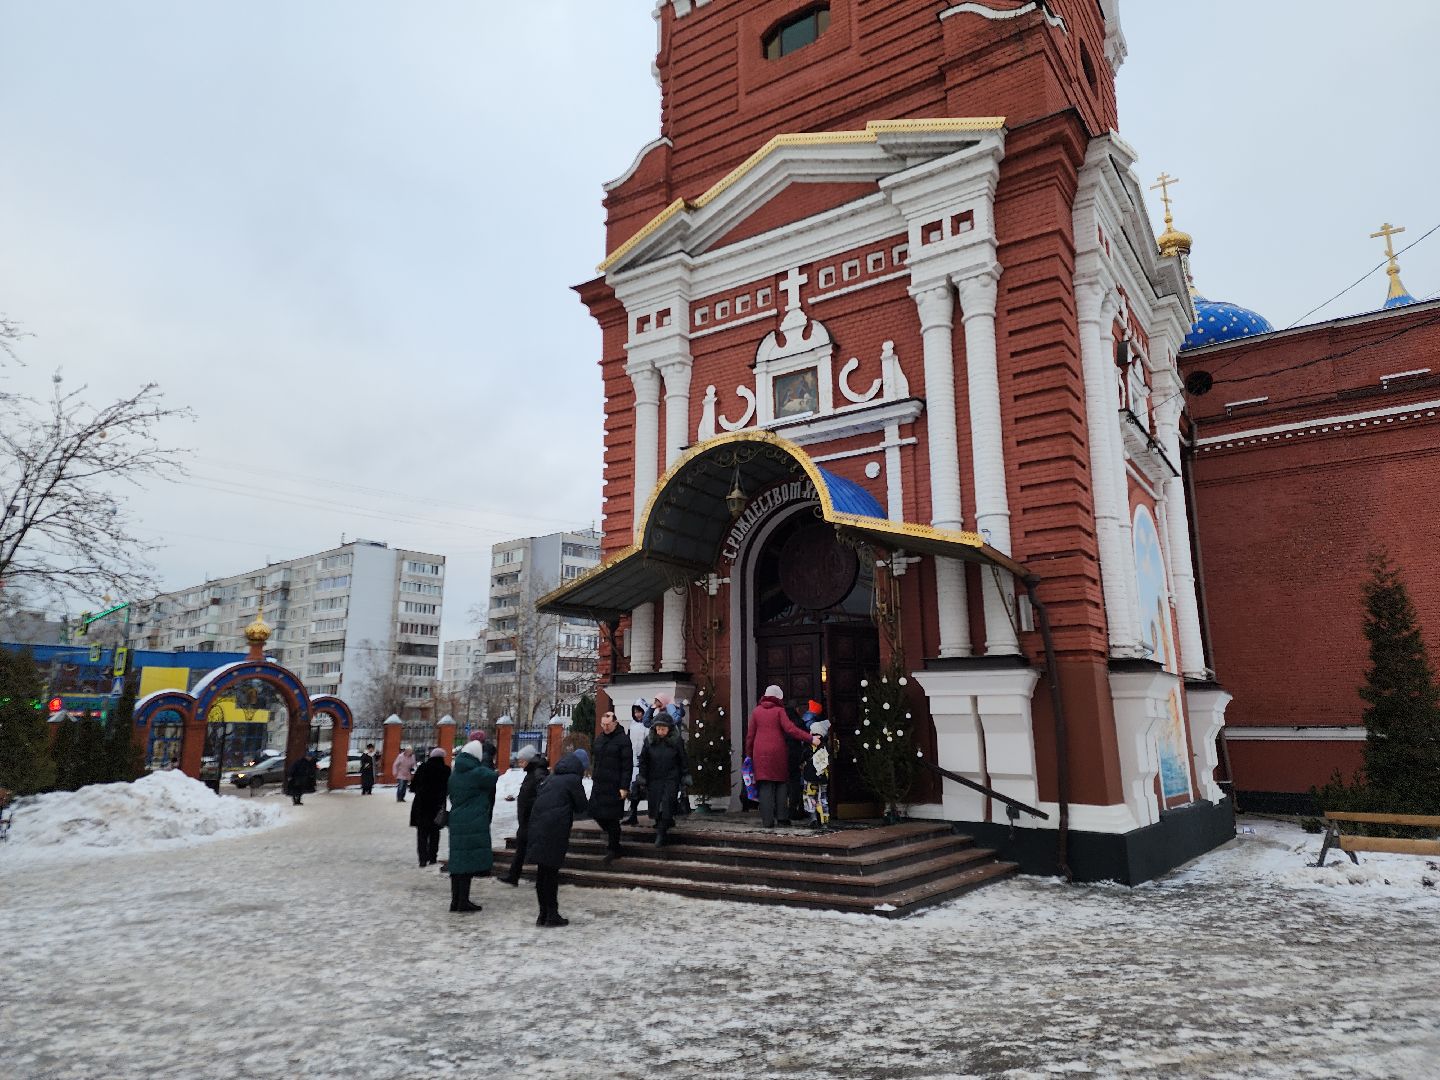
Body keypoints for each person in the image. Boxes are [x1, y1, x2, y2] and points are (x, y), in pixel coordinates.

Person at [527, 748, 590, 928]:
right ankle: (552, 915)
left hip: (538, 826)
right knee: (551, 873)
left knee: (542, 873)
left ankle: (543, 914)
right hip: (555, 830)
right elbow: (581, 806)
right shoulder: (573, 780)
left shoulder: (552, 777)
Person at [744, 684, 820, 828]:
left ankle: (767, 821)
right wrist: (810, 738)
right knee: (781, 783)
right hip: (778, 751)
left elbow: (750, 736)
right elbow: (791, 729)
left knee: (765, 785)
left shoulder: (756, 712)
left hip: (759, 753)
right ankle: (782, 818)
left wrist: (749, 754)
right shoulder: (779, 711)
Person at [445, 739, 497, 914]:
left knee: (458, 861)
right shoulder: (476, 773)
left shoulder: (455, 774)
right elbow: (493, 777)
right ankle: (463, 902)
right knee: (466, 863)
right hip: (472, 820)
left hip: (457, 819)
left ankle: (455, 901)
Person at [498, 745, 547, 886]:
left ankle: (539, 879)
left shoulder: (538, 773)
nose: (520, 763)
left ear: (529, 760)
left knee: (534, 850)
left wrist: (529, 809)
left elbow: (540, 794)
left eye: (522, 761)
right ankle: (513, 876)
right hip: (526, 819)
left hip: (532, 819)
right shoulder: (532, 772)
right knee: (522, 849)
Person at [588, 710, 633, 864]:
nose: (605, 727)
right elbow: (596, 760)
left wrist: (624, 787)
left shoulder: (623, 740)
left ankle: (614, 848)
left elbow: (627, 766)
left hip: (614, 785)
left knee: (611, 818)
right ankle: (615, 844)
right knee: (595, 813)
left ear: (615, 723)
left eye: (608, 724)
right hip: (599, 784)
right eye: (603, 724)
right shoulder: (600, 739)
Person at [637, 712, 688, 847]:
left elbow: (683, 759)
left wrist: (685, 776)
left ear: (669, 729)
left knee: (667, 803)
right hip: (654, 778)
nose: (660, 732)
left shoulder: (676, 741)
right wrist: (642, 776)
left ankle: (661, 833)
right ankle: (662, 826)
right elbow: (643, 760)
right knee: (656, 805)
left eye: (663, 729)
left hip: (671, 778)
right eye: (658, 728)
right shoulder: (649, 741)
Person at [409, 747, 451, 868]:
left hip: (421, 804)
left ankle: (422, 859)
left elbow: (413, 786)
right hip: (438, 805)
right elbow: (449, 787)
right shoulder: (446, 770)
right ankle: (433, 857)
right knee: (435, 831)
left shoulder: (423, 767)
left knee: (422, 832)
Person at [622, 698, 650, 826]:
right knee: (633, 790)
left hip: (644, 763)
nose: (638, 714)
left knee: (643, 789)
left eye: (640, 711)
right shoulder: (632, 726)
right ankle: (633, 814)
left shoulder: (648, 726)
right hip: (632, 762)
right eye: (635, 712)